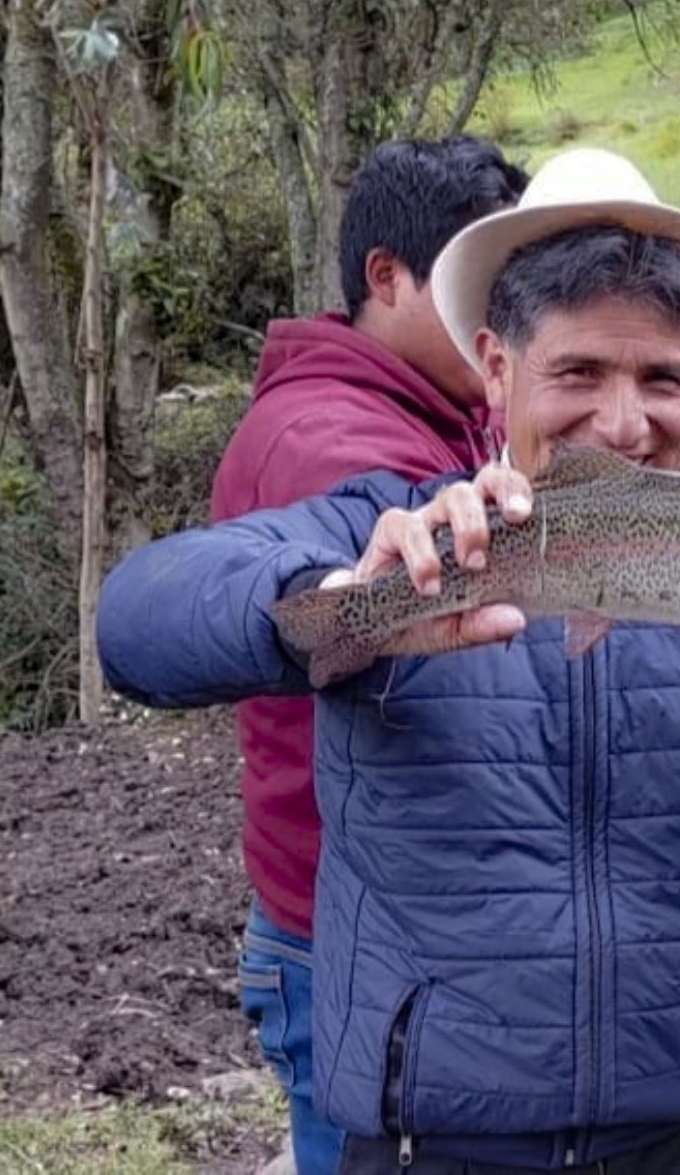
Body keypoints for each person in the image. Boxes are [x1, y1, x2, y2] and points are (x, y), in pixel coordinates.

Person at [100, 148, 680, 1174]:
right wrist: (333, 606)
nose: (623, 423)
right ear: (494, 366)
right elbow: (136, 623)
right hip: (433, 1138)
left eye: (662, 378)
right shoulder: (393, 532)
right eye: (578, 372)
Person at [213, 136, 528, 1175]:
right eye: (473, 282)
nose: (497, 322)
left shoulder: (439, 414)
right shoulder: (338, 448)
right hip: (346, 929)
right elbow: (484, 672)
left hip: (379, 905)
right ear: (385, 278)